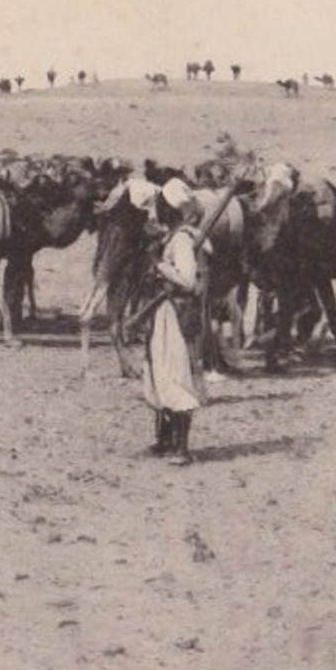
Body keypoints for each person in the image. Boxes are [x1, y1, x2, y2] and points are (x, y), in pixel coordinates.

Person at [144, 181, 211, 464]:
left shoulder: (182, 239)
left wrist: (160, 267)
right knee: (159, 371)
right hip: (164, 311)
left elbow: (186, 279)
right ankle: (166, 439)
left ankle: (181, 448)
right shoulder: (172, 236)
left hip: (177, 312)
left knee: (175, 373)